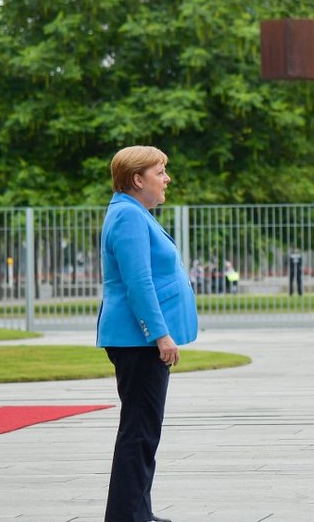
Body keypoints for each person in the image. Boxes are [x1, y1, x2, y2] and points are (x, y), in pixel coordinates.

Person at [97, 146, 198, 522]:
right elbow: (138, 282)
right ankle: (126, 517)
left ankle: (139, 512)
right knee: (139, 431)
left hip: (137, 341)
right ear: (138, 179)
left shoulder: (132, 213)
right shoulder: (128, 217)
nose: (167, 178)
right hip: (137, 342)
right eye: (161, 171)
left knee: (142, 430)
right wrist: (160, 334)